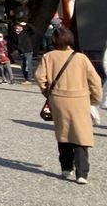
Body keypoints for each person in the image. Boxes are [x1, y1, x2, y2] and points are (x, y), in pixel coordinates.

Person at [34, 26, 101, 183]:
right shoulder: (81, 58)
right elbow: (95, 80)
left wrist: (46, 91)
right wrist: (94, 99)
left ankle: (66, 167)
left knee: (63, 132)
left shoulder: (48, 57)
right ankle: (82, 173)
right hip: (80, 99)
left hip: (58, 99)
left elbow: (39, 76)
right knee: (81, 134)